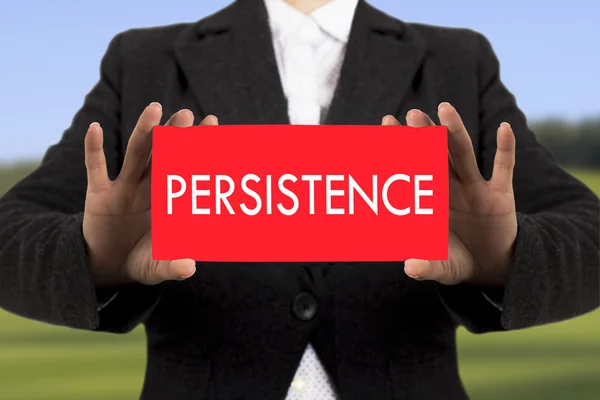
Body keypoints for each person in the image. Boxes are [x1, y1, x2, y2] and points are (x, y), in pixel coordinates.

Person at [0, 0, 598, 399]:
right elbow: (11, 235)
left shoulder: (458, 60)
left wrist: (508, 259)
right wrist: (92, 259)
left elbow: (587, 236)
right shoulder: (142, 60)